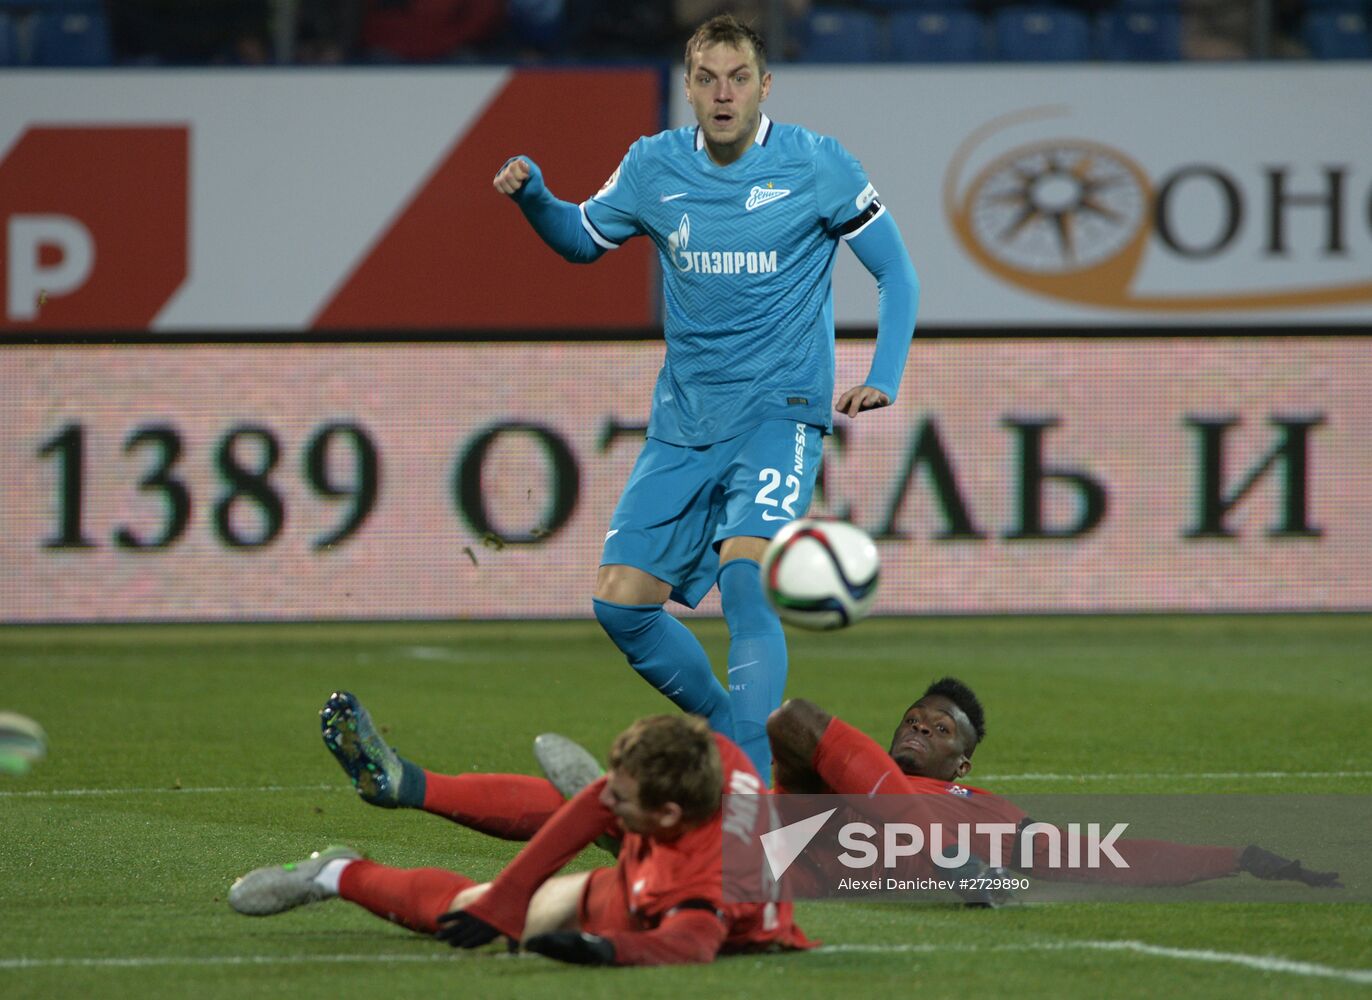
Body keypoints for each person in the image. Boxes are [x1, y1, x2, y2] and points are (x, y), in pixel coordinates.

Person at [492, 14, 920, 783]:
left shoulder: (815, 163)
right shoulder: (652, 166)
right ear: (687, 87)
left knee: (747, 578)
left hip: (780, 411)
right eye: (707, 78)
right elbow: (583, 239)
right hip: (684, 421)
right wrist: (536, 198)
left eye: (739, 77)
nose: (724, 94)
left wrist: (883, 372)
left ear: (765, 85)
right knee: (620, 605)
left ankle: (750, 790)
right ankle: (738, 738)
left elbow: (898, 273)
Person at [228, 694, 810, 966]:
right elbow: (594, 800)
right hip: (665, 855)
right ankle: (617, 836)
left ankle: (335, 872)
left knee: (462, 911)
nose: (600, 795)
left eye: (621, 796)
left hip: (669, 911)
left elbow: (691, 944)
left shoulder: (703, 880)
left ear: (668, 818)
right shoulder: (718, 757)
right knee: (497, 904)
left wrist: (601, 949)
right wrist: (510, 895)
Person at [764, 680, 1342, 889]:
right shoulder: (856, 771)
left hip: (794, 874)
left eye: (939, 730)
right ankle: (941, 859)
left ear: (962, 765)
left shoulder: (984, 812)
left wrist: (1235, 856)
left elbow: (1104, 858)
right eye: (913, 720)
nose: (917, 729)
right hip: (771, 835)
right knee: (790, 719)